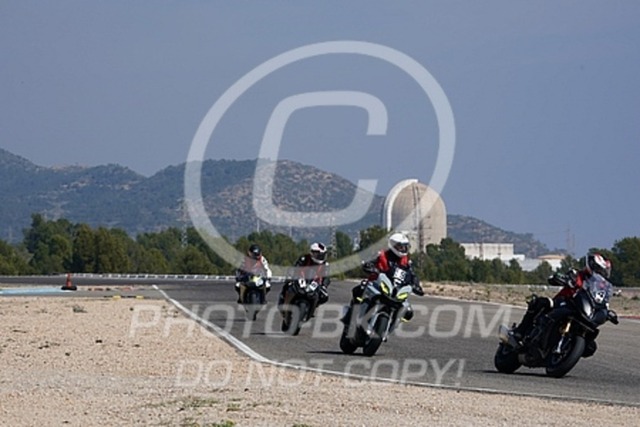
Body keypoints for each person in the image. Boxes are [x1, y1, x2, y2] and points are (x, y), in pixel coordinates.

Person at [511, 252, 612, 348]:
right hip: (564, 302)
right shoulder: (577, 275)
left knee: (590, 347)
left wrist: (607, 312)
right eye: (599, 270)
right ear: (592, 266)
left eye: (603, 271)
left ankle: (567, 347)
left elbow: (602, 299)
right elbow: (558, 278)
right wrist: (561, 278)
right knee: (540, 303)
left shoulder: (601, 286)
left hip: (582, 311)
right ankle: (520, 331)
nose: (600, 273)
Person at [349, 232, 424, 322]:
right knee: (360, 289)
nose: (403, 249)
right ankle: (350, 317)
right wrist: (370, 266)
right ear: (393, 245)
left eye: (405, 247)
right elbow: (370, 262)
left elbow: (412, 274)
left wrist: (416, 285)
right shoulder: (382, 255)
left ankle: (392, 324)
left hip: (396, 290)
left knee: (408, 312)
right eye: (400, 247)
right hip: (377, 284)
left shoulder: (405, 262)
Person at [278, 242, 331, 316]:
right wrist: (292, 276)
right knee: (288, 285)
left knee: (324, 296)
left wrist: (324, 286)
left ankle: (314, 307)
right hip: (301, 279)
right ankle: (284, 302)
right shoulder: (304, 258)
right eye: (319, 254)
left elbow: (327, 277)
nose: (321, 257)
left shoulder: (325, 265)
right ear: (312, 253)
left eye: (322, 255)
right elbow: (296, 267)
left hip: (315, 283)